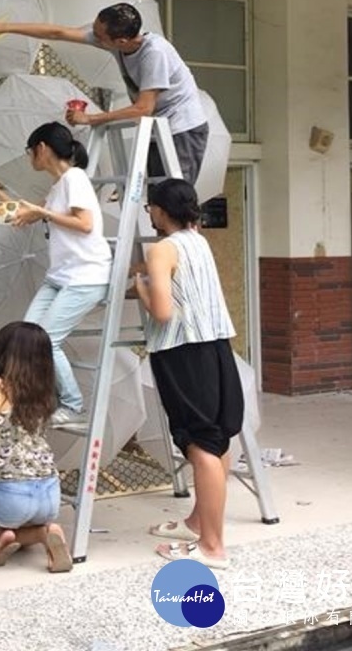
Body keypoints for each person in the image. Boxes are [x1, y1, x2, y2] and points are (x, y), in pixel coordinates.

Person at [133, 179, 243, 570]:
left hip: (182, 352)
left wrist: (141, 286)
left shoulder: (163, 249)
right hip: (216, 347)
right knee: (218, 438)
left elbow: (162, 312)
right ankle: (199, 522)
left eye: (150, 208)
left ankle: (213, 546)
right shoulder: (199, 241)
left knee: (200, 446)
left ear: (161, 211)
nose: (150, 214)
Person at [0, 2, 209, 184]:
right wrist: (6, 27)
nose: (93, 37)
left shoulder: (154, 53)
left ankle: (180, 244)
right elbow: (59, 33)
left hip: (182, 127)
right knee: (158, 201)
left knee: (175, 199)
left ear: (120, 40)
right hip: (158, 127)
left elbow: (143, 108)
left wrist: (91, 119)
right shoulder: (116, 42)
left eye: (99, 36)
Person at [0, 121, 112, 426]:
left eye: (30, 152)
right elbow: (22, 212)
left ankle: (74, 406)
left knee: (48, 340)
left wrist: (43, 213)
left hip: (86, 275)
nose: (30, 159)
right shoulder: (59, 186)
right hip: (61, 276)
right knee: (27, 337)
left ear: (41, 149)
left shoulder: (75, 178)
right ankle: (40, 399)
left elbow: (85, 224)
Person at [0, 322, 74, 574]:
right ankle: (45, 532)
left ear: (1, 349)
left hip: (8, 497)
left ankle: (1, 533)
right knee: (27, 516)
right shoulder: (45, 388)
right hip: (50, 496)